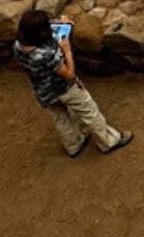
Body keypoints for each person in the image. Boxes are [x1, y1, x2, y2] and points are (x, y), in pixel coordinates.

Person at [14, 10, 132, 157]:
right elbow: (69, 74)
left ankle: (73, 145)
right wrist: (67, 51)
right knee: (89, 111)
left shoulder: (18, 45)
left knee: (61, 118)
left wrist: (60, 22)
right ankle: (109, 141)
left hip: (43, 92)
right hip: (63, 88)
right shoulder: (46, 55)